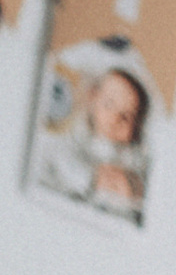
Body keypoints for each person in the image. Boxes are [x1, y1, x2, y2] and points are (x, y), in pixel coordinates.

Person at [33, 43, 151, 221]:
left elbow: (143, 188)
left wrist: (133, 188)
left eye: (126, 117)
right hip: (78, 189)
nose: (115, 119)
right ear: (92, 99)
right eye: (109, 105)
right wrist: (91, 178)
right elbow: (60, 158)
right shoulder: (78, 135)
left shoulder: (133, 156)